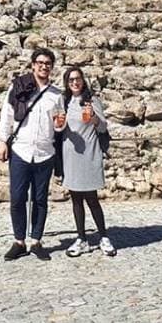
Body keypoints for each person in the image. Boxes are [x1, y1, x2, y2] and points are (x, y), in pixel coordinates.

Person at [0, 47, 65, 261]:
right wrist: (2, 141)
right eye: (41, 62)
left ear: (51, 68)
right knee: (17, 198)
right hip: (21, 149)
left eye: (48, 63)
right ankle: (19, 241)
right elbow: (7, 115)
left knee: (40, 199)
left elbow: (59, 124)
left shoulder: (56, 95)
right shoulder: (18, 87)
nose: (44, 66)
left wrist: (60, 125)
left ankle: (36, 241)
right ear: (33, 64)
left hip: (45, 152)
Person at [60, 66, 116, 257]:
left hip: (89, 153)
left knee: (92, 198)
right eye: (71, 80)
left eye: (78, 79)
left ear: (83, 80)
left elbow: (102, 128)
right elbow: (58, 127)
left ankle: (103, 236)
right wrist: (58, 125)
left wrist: (93, 118)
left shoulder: (92, 101)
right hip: (71, 154)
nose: (75, 82)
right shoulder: (64, 101)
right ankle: (82, 238)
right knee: (76, 199)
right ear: (67, 83)